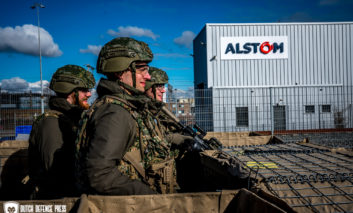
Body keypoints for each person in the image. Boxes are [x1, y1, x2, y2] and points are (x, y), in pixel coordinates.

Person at [75, 37, 176, 196]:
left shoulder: (124, 107)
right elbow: (101, 175)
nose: (148, 77)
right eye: (142, 69)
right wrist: (151, 198)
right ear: (119, 72)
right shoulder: (115, 113)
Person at [28, 65, 95, 199]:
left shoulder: (72, 119)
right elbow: (55, 172)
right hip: (55, 200)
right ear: (70, 92)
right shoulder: (51, 123)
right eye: (84, 90)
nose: (89, 94)